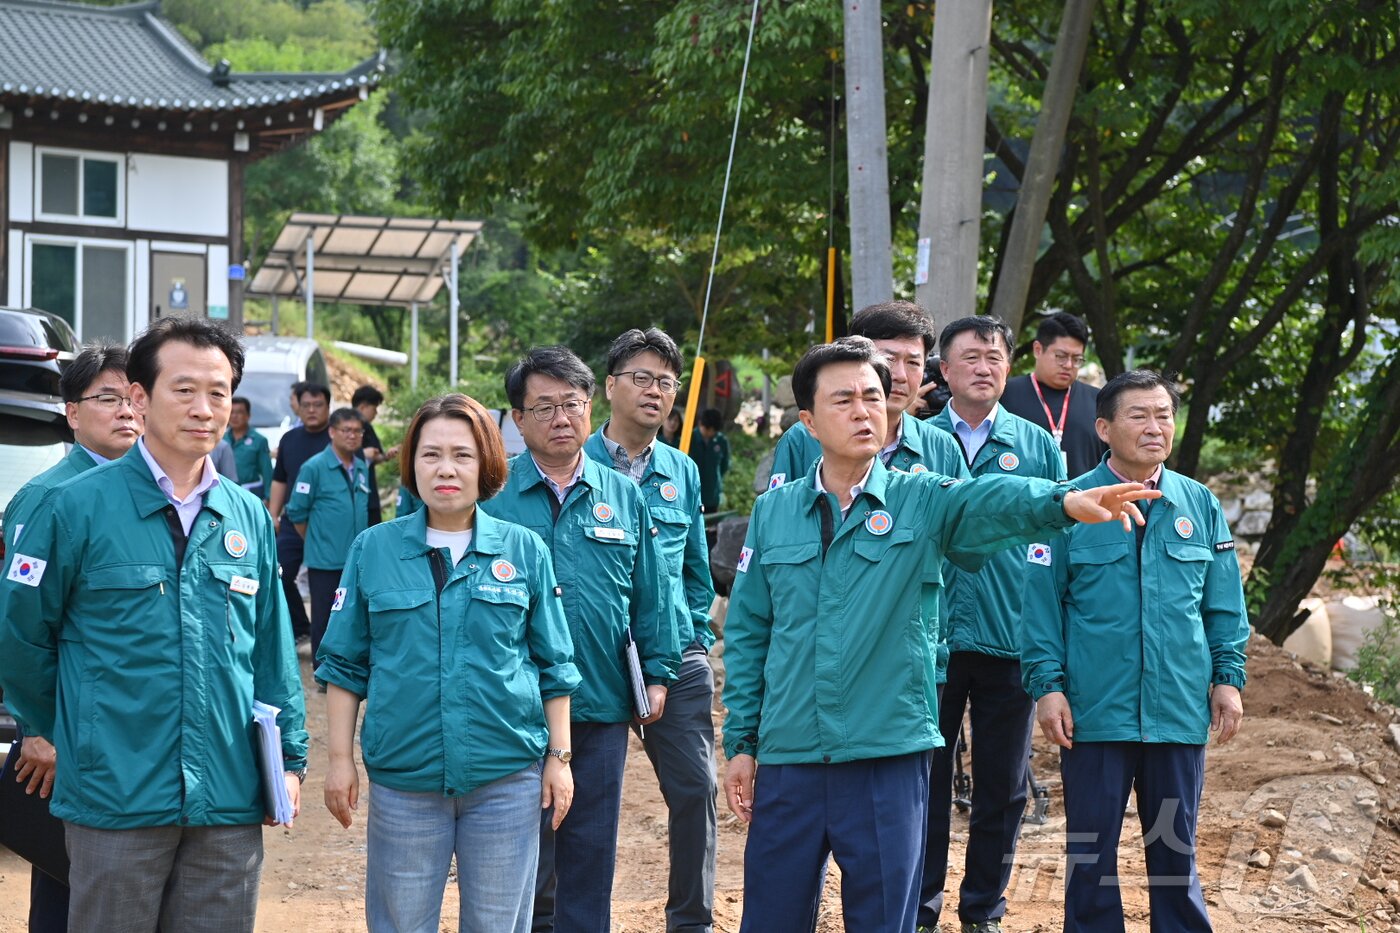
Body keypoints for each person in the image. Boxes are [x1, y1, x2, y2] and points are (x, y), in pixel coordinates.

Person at [721, 337, 1155, 932]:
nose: (863, 410)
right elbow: (749, 633)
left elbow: (989, 501)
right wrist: (742, 742)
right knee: (771, 917)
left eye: (872, 397)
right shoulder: (775, 513)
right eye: (843, 399)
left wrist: (1063, 501)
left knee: (883, 920)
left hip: (886, 755)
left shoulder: (920, 497)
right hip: (791, 754)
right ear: (808, 421)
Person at [0, 316, 307, 933]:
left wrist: (291, 761)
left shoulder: (246, 514)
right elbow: (21, 639)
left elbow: (272, 651)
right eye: (184, 389)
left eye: (218, 392)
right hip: (116, 800)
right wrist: (77, 738)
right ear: (141, 398)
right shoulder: (75, 506)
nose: (204, 408)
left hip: (227, 800)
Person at [318, 393, 580, 933]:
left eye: (462, 455)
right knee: (402, 922)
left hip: (505, 778)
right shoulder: (373, 549)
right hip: (405, 781)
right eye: (430, 454)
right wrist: (340, 760)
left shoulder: (524, 550)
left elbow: (553, 664)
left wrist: (559, 758)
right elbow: (344, 666)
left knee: (499, 924)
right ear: (410, 463)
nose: (445, 469)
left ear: (486, 462)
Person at [1020, 370, 1247, 933]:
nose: (1155, 427)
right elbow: (1041, 606)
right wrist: (1047, 687)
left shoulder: (1200, 503)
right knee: (1091, 855)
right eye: (1139, 416)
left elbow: (1223, 605)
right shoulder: (1071, 506)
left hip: (1176, 710)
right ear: (1104, 428)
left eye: (1164, 415)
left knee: (1175, 852)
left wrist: (1228, 677)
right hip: (1096, 711)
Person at [488, 346, 680, 933]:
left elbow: (652, 591)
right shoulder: (493, 496)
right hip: (513, 710)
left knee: (590, 852)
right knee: (517, 856)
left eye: (571, 404)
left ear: (589, 406)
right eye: (543, 407)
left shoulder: (622, 494)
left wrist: (659, 671)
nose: (561, 418)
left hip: (598, 702)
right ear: (517, 419)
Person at [921, 316, 1066, 933]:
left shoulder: (1037, 445)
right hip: (931, 640)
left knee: (1003, 787)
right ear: (944, 370)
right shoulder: (921, 441)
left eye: (995, 358)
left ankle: (983, 908)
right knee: (922, 782)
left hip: (1011, 640)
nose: (984, 367)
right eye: (971, 357)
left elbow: (1057, 544)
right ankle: (920, 906)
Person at [2, 341, 140, 933]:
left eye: (135, 398)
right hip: (67, 739)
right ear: (72, 414)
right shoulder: (49, 496)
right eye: (107, 398)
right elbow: (20, 627)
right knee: (66, 884)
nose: (127, 412)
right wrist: (36, 730)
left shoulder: (154, 495)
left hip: (130, 739)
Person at [584, 328, 718, 933]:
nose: (655, 391)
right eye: (641, 377)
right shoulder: (569, 461)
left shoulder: (681, 471)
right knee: (580, 802)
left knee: (696, 791)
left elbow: (695, 568)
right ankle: (559, 918)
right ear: (609, 386)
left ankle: (690, 920)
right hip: (589, 660)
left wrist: (689, 638)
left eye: (666, 381)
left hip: (672, 656)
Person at [764, 301, 967, 490]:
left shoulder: (942, 447)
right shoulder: (801, 439)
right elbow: (779, 518)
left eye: (913, 363)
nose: (900, 376)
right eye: (888, 359)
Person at [284, 407, 371, 661]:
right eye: (346, 430)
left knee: (353, 615)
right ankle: (323, 671)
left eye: (358, 431)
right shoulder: (314, 467)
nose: (352, 436)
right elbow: (297, 512)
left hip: (355, 560)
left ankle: (347, 667)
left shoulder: (361, 467)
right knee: (324, 617)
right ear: (332, 432)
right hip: (324, 560)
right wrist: (314, 539)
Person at [1000, 312, 1107, 477]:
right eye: (1061, 356)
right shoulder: (1005, 395)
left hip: (1086, 498)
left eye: (1077, 359)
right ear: (1037, 350)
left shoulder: (1100, 401)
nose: (1069, 365)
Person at [268, 382, 332, 646]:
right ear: (298, 407)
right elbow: (280, 479)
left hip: (328, 525)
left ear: (328, 407)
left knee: (326, 588)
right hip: (294, 522)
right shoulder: (289, 439)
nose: (312, 410)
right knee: (278, 573)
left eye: (318, 405)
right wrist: (273, 514)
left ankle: (327, 644)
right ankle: (299, 625)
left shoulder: (336, 437)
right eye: (306, 405)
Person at [352, 384, 393, 526]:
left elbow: (375, 456)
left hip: (369, 491)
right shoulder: (342, 425)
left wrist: (387, 456)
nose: (376, 413)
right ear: (363, 406)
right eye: (374, 409)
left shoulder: (367, 427)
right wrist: (362, 453)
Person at [226, 396, 274, 505]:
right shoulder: (221, 440)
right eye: (231, 412)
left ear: (248, 416)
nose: (234, 416)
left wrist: (268, 498)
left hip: (250, 496)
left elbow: (267, 472)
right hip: (226, 495)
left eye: (239, 412)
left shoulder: (259, 440)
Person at [688, 409, 730, 513]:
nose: (709, 432)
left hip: (712, 496)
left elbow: (724, 465)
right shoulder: (689, 438)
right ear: (700, 424)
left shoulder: (721, 441)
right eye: (706, 429)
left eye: (713, 430)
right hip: (691, 495)